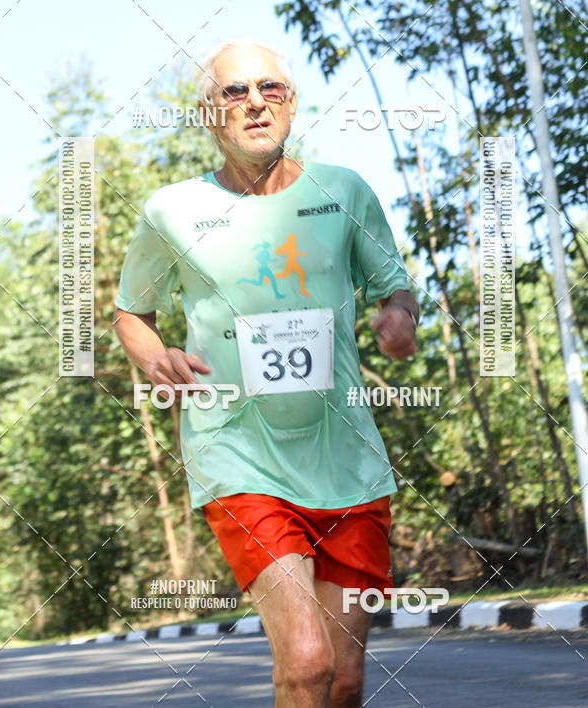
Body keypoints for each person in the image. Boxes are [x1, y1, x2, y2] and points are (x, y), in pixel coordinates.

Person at [114, 37, 419, 707]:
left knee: (344, 678)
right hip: (238, 455)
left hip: (348, 460)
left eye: (270, 89)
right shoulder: (172, 211)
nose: (255, 103)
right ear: (208, 115)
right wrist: (151, 356)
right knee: (305, 661)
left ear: (291, 104)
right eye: (234, 92)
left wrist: (400, 322)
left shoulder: (343, 192)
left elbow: (395, 291)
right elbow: (130, 312)